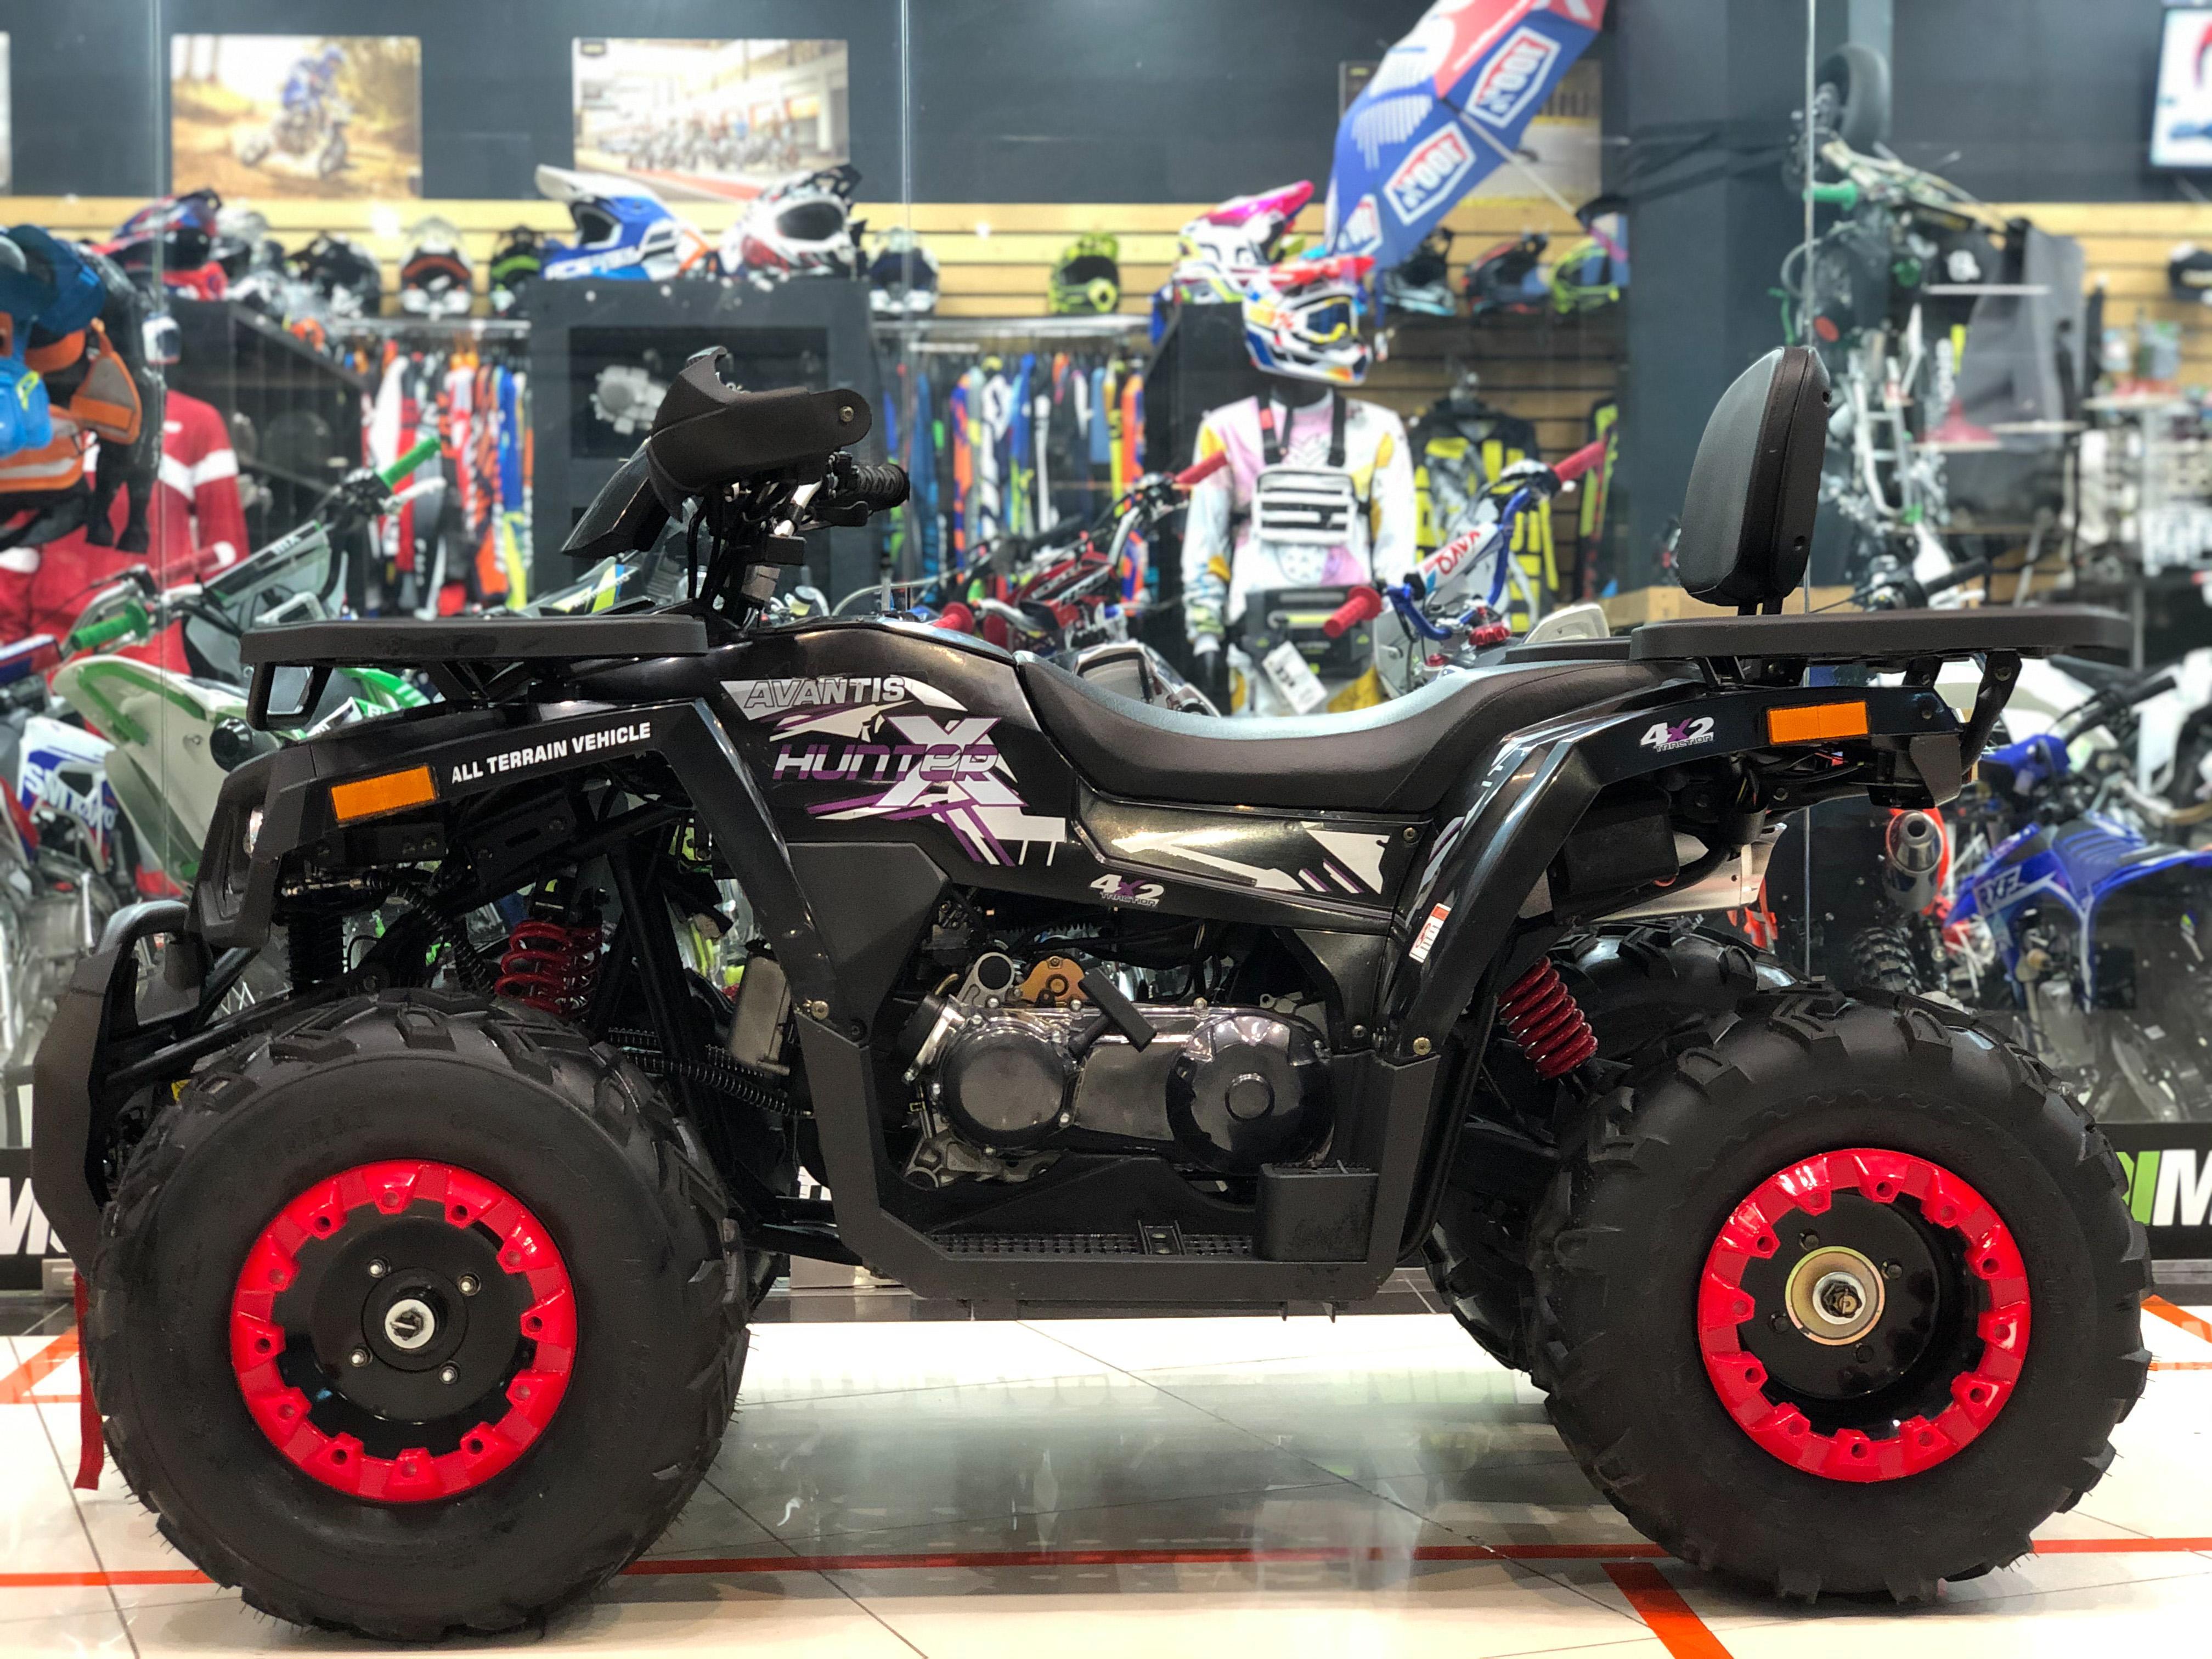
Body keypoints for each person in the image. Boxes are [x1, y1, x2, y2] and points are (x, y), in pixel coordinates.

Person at [1181, 253, 1413, 715]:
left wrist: (1395, 641)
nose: (1344, 335)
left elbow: (1397, 551)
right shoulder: (1224, 431)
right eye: (1328, 322)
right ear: (1278, 324)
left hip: (1355, 652)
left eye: (1346, 321)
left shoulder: (1381, 431)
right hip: (1257, 655)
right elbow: (1205, 541)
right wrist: (1205, 635)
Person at [0, 387, 247, 664]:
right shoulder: (45, 416)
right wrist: (12, 651)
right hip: (55, 645)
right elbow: (17, 550)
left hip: (150, 647)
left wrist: (235, 654)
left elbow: (227, 555)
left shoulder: (196, 421)